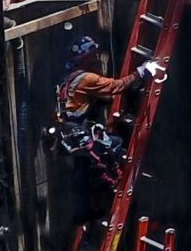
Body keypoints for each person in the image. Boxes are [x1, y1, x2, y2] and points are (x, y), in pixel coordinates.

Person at [54, 36, 162, 185]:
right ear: (88, 56)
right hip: (78, 135)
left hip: (67, 135)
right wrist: (141, 71)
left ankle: (94, 193)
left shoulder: (68, 76)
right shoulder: (87, 79)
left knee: (84, 170)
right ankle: (114, 182)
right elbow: (116, 86)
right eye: (95, 54)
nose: (97, 57)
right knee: (115, 145)